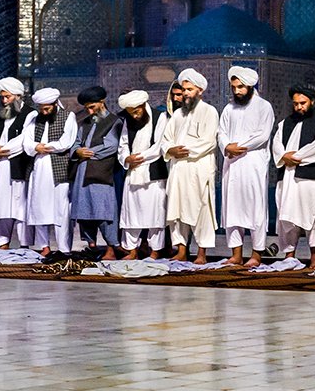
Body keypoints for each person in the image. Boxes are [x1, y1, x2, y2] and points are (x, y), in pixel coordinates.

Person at [219, 66, 275, 269]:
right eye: (234, 87)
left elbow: (263, 135)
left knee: (255, 209)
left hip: (253, 163)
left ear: (250, 86)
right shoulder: (229, 108)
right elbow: (221, 132)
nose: (237, 91)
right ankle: (236, 254)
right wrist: (226, 146)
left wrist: (239, 147)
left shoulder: (263, 107)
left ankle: (256, 254)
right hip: (231, 163)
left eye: (241, 87)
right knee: (232, 207)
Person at [273, 86, 315, 271]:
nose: (299, 107)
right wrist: (284, 156)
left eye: (303, 103)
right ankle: (289, 255)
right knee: (286, 216)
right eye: (296, 104)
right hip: (287, 176)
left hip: (310, 177)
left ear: (312, 101)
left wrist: (296, 157)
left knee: (313, 216)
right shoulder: (285, 123)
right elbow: (276, 145)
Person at [163, 68, 220, 262]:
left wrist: (182, 150)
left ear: (200, 90)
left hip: (198, 169)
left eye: (189, 89)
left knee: (202, 210)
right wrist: (171, 150)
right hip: (178, 169)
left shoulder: (209, 112)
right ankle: (181, 251)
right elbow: (166, 139)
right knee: (176, 211)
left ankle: (202, 253)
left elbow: (209, 141)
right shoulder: (178, 114)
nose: (186, 93)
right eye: (184, 89)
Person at [67, 86, 122, 258]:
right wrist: (77, 152)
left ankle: (112, 248)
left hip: (101, 172)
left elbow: (111, 146)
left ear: (102, 102)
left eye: (92, 107)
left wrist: (88, 152)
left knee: (104, 211)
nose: (90, 111)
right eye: (87, 108)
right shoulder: (84, 123)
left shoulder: (115, 121)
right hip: (82, 172)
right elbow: (75, 143)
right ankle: (92, 245)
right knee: (84, 210)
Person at [22, 87, 74, 255]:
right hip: (38, 168)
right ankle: (44, 246)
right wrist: (35, 147)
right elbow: (27, 142)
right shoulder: (34, 119)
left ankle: (64, 248)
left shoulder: (68, 116)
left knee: (61, 210)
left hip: (59, 168)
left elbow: (66, 141)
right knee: (39, 208)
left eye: (47, 108)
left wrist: (46, 147)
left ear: (55, 104)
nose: (44, 111)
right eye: (41, 108)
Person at [116, 90, 167, 256]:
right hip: (133, 173)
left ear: (143, 106)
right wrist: (126, 158)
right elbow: (123, 144)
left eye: (137, 111)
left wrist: (139, 157)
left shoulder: (160, 117)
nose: (135, 116)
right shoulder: (129, 121)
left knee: (156, 215)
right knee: (131, 215)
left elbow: (159, 146)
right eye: (131, 113)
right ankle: (132, 250)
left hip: (153, 173)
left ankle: (155, 251)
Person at [0, 77, 32, 252]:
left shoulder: (30, 114)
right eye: (2, 97)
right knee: (1, 206)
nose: (4, 101)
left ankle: (25, 245)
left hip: (19, 165)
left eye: (8, 97)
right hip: (0, 166)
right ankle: (1, 243)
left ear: (18, 96)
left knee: (20, 207)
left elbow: (25, 138)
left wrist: (3, 150)